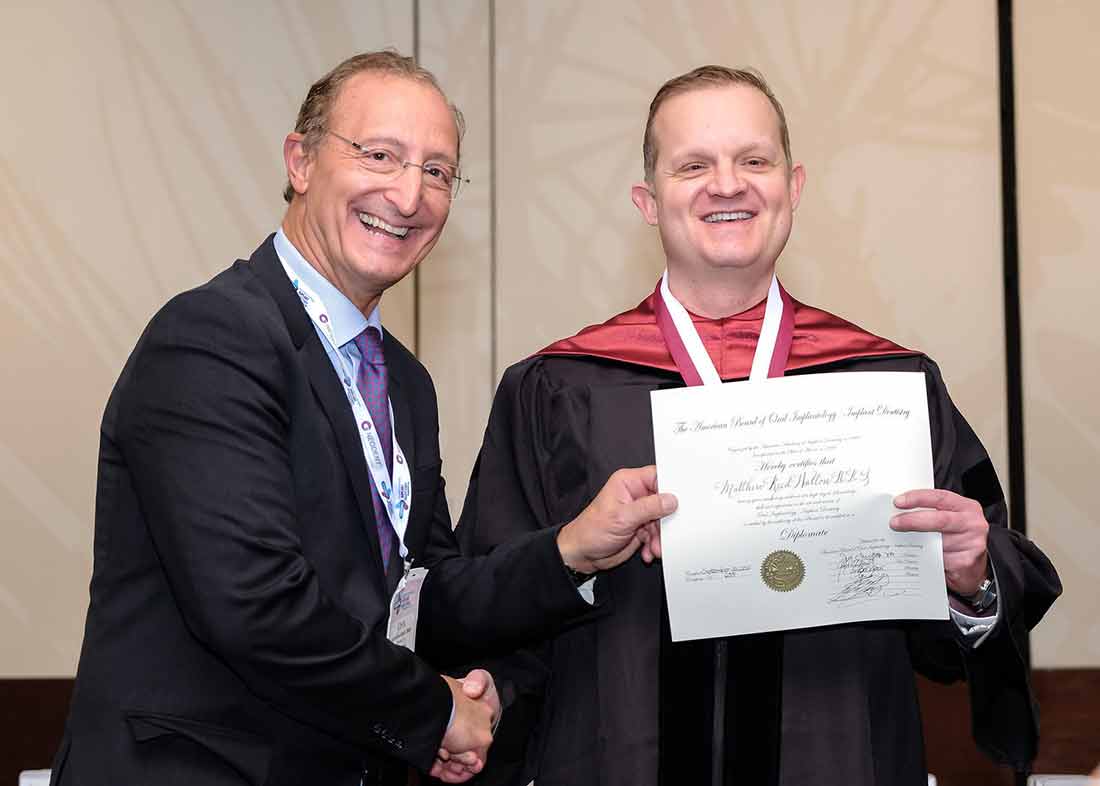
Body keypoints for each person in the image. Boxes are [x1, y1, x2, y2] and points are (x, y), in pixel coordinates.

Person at [49, 51, 674, 786]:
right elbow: (258, 608)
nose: (409, 194)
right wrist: (435, 713)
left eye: (438, 172)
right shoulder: (213, 339)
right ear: (302, 161)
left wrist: (571, 548)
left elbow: (425, 596)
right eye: (380, 155)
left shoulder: (403, 383)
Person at [457, 66, 1062, 786]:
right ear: (647, 202)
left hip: (839, 763)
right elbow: (482, 602)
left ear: (793, 185)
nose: (727, 184)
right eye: (693, 165)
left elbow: (966, 615)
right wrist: (569, 559)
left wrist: (971, 576)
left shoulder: (883, 384)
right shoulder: (558, 389)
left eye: (754, 160)